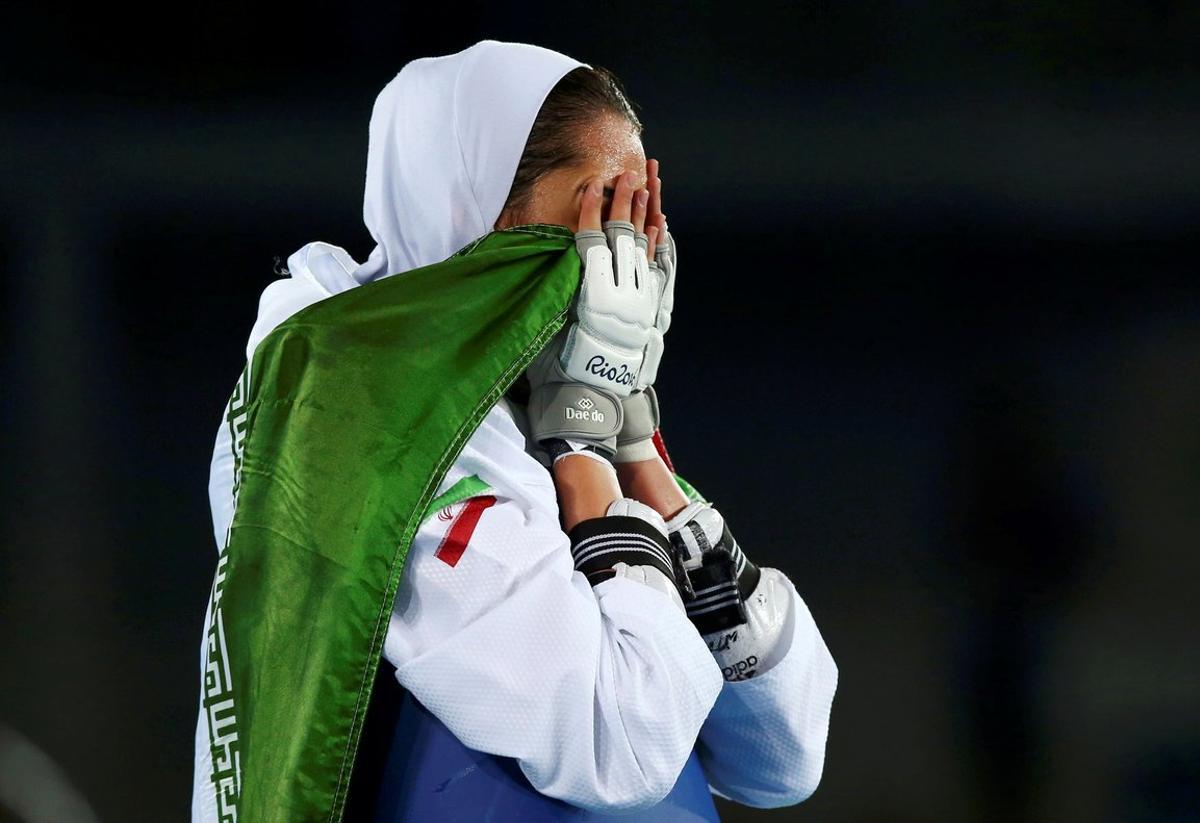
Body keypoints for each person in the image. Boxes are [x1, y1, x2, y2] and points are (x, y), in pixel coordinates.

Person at [193, 39, 837, 821]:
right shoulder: (351, 418)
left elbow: (782, 754)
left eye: (641, 229)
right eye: (602, 219)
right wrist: (583, 448)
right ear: (480, 217)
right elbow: (626, 741)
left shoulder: (554, 415)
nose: (623, 267)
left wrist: (631, 445)